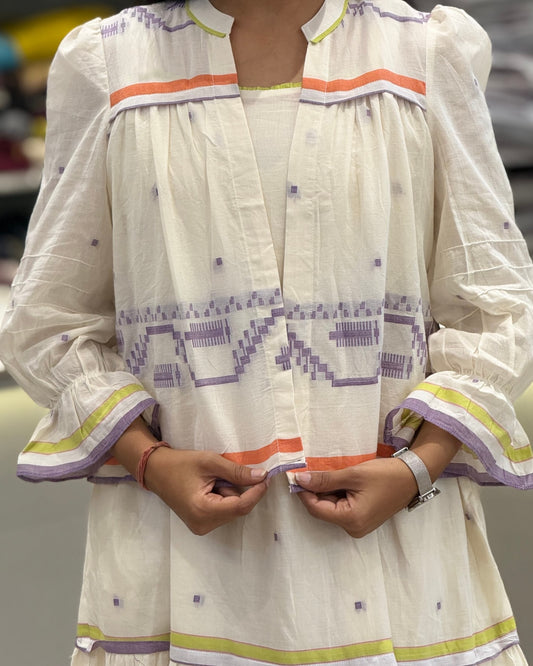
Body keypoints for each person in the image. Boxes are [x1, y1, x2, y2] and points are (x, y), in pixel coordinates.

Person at [1, 0, 532, 663]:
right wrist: (151, 462)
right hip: (185, 567)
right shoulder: (106, 64)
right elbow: (48, 317)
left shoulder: (424, 55)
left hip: (404, 565)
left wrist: (416, 468)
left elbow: (494, 301)